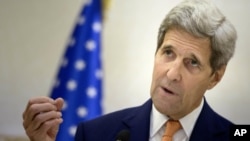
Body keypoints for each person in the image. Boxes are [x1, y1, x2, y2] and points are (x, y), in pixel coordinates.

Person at [22, 0, 237, 140]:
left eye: (192, 62)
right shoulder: (95, 134)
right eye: (168, 52)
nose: (172, 74)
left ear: (215, 77)